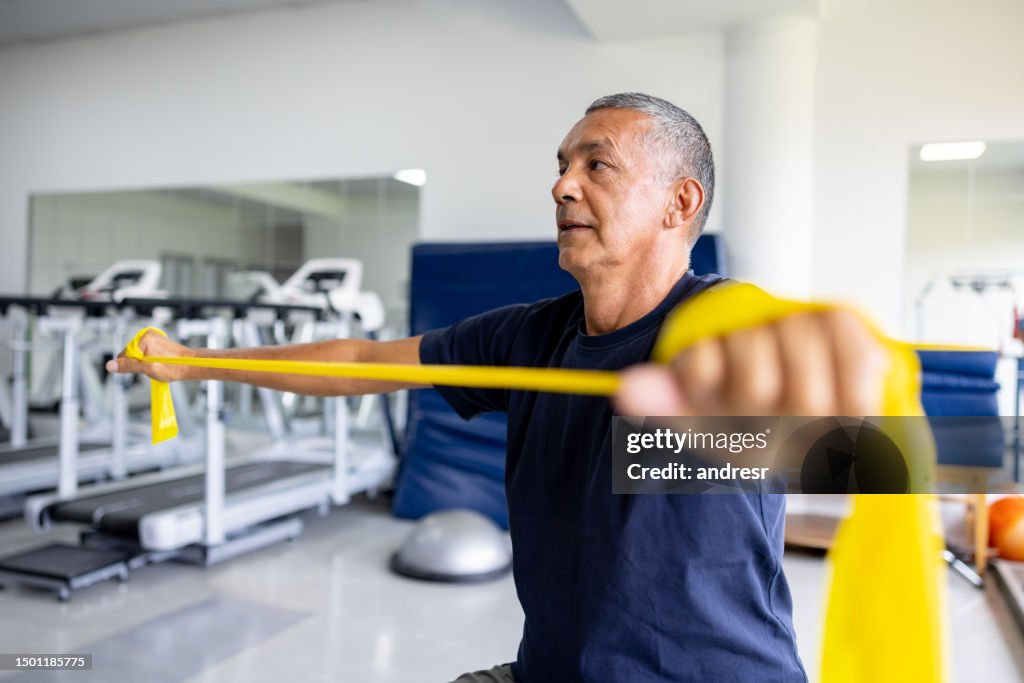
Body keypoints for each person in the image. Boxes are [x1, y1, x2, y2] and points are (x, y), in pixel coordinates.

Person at [108, 93, 886, 682]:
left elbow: (844, 436)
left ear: (680, 203)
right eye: (561, 166)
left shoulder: (719, 327)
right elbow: (366, 360)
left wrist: (809, 397)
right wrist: (194, 360)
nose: (561, 188)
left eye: (596, 164)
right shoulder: (528, 337)